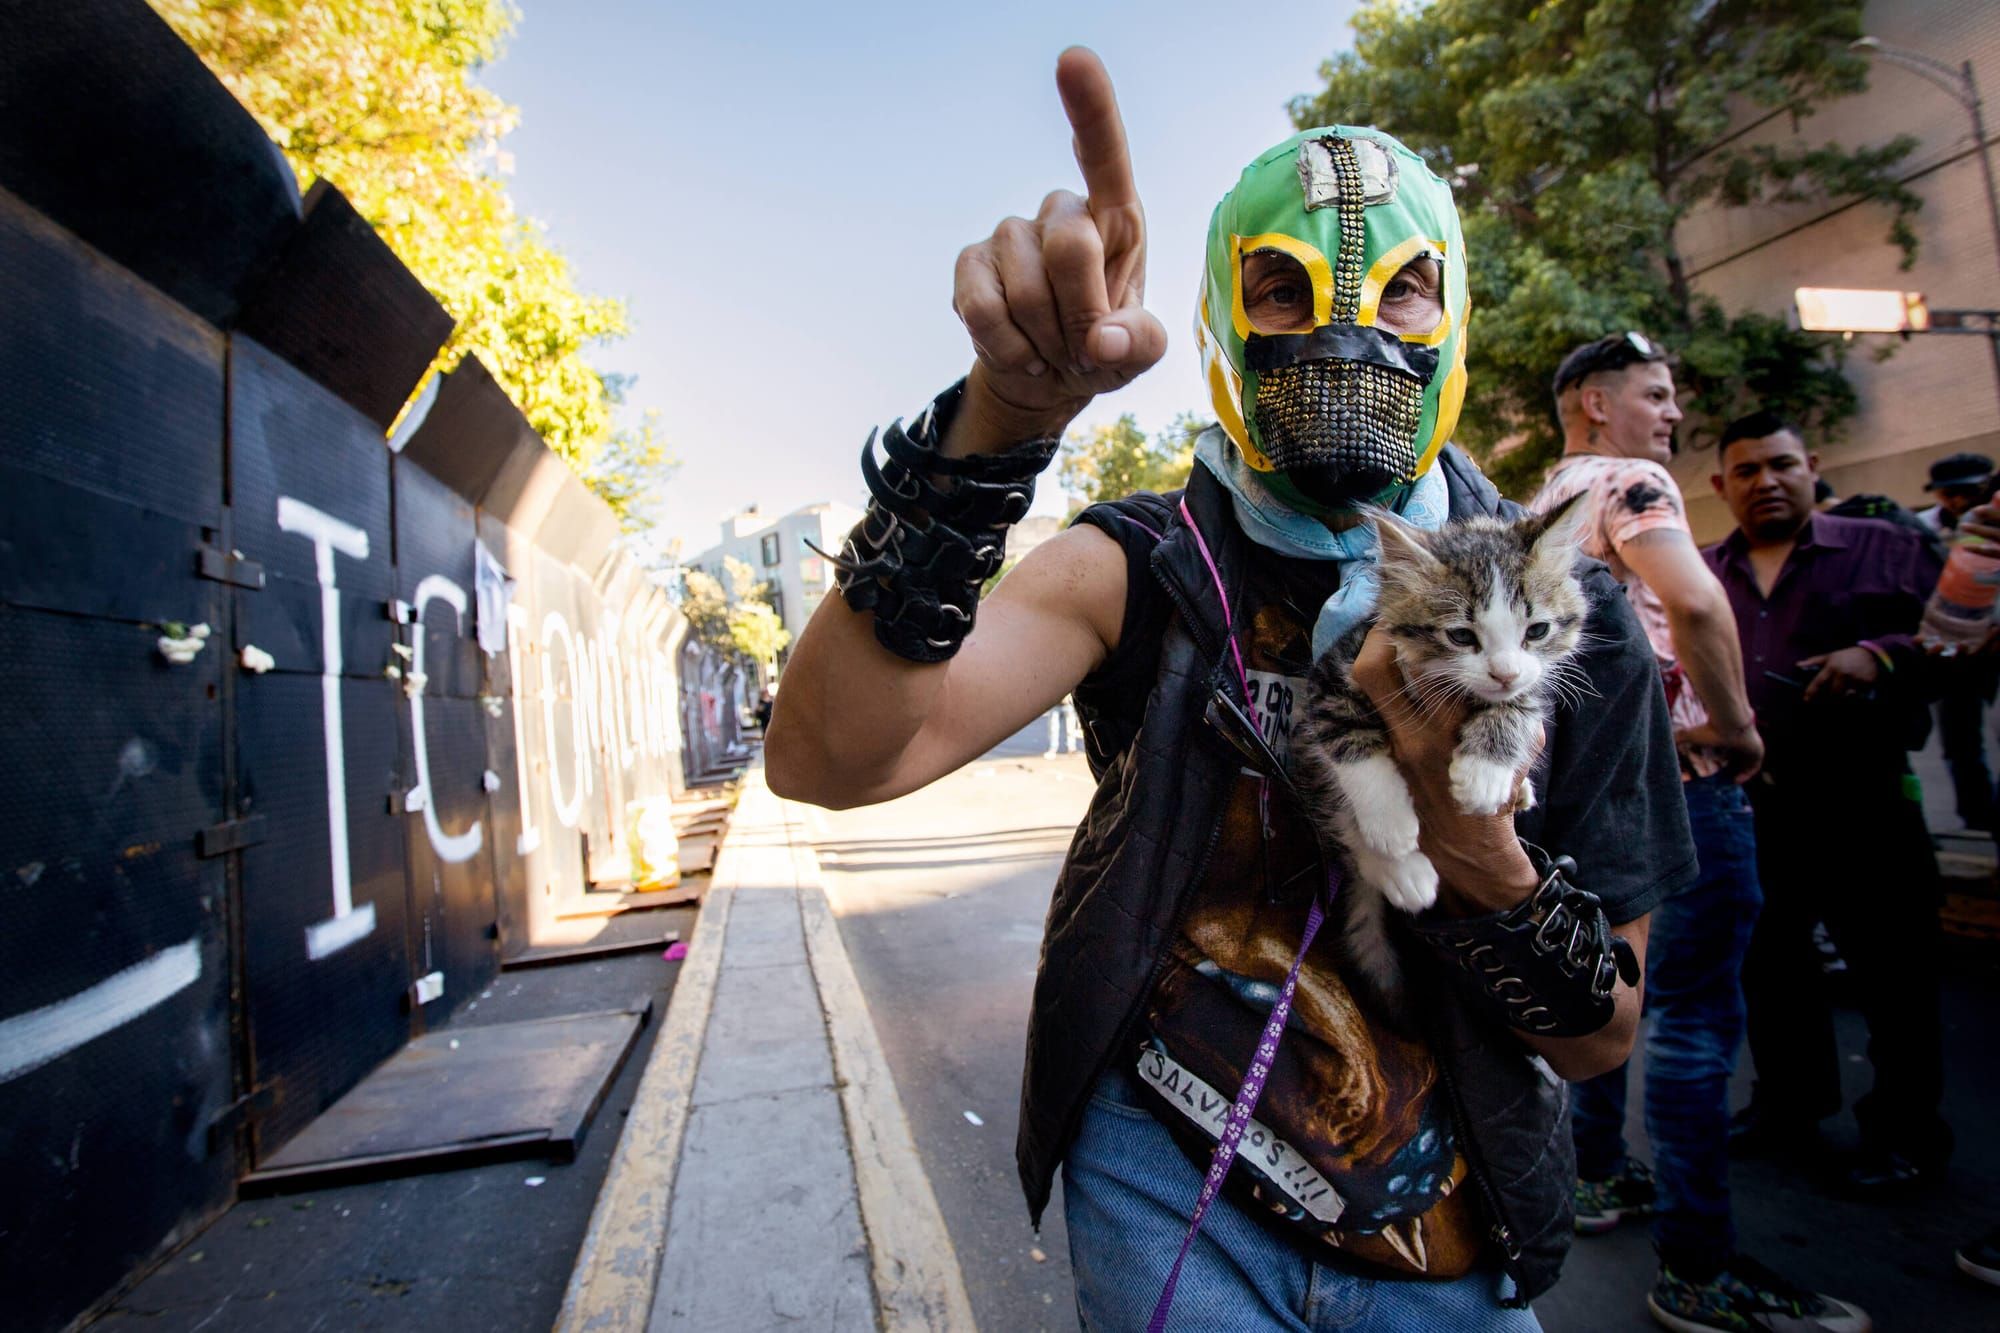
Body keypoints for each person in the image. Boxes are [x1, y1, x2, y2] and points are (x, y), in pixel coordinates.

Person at [771, 49, 1696, 1329]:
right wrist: (998, 419)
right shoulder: (1142, 565)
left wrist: (1471, 840)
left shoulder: (1553, 622)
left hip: (1449, 1234)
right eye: (1283, 289)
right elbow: (829, 758)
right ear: (1222, 315)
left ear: (1455, 318)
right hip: (1165, 1201)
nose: (1346, 329)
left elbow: (1598, 1041)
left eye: (1403, 293)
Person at [1530, 338, 1850, 1333]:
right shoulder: (1630, 483)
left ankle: (1595, 1178)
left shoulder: (1535, 505)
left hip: (1589, 803)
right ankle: (1697, 1265)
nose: (1670, 417)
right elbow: (1697, 600)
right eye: (1655, 396)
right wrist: (1737, 728)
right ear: (1592, 403)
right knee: (1696, 1016)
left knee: (1610, 994)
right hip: (1679, 790)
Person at [1704, 411, 1950, 1198]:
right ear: (1721, 486)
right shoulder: (1706, 573)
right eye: (1746, 471)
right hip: (1755, 806)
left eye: (1780, 465)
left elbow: (1956, 640)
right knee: (1770, 969)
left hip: (1865, 801)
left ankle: (1907, 1132)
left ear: (1811, 465)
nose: (1765, 482)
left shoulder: (1888, 546)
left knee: (1895, 977)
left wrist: (1878, 655)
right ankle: (1787, 1105)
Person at [1913, 451, 1995, 538]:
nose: (1960, 500)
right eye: (1949, 494)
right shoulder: (1921, 525)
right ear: (1936, 493)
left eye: (1969, 491)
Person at [1043, 692, 1082, 757]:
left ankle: (1072, 748)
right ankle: (1053, 748)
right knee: (1053, 729)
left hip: (1068, 704)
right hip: (1055, 705)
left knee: (1071, 729)